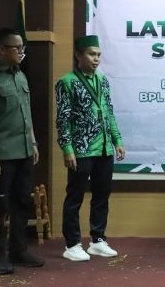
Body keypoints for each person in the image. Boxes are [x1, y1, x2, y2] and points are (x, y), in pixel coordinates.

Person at [0, 27, 45, 274]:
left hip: (24, 150)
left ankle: (18, 250)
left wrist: (33, 142)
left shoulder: (20, 75)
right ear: (1, 49)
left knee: (22, 203)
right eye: (17, 47)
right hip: (2, 154)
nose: (21, 51)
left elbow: (26, 113)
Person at [55, 35, 125, 262]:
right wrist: (67, 148)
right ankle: (72, 243)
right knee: (75, 196)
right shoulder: (66, 82)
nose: (96, 59)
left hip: (104, 149)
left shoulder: (103, 81)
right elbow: (62, 119)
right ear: (78, 55)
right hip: (81, 149)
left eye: (98, 55)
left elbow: (109, 112)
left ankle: (97, 240)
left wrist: (117, 140)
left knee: (102, 195)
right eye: (91, 54)